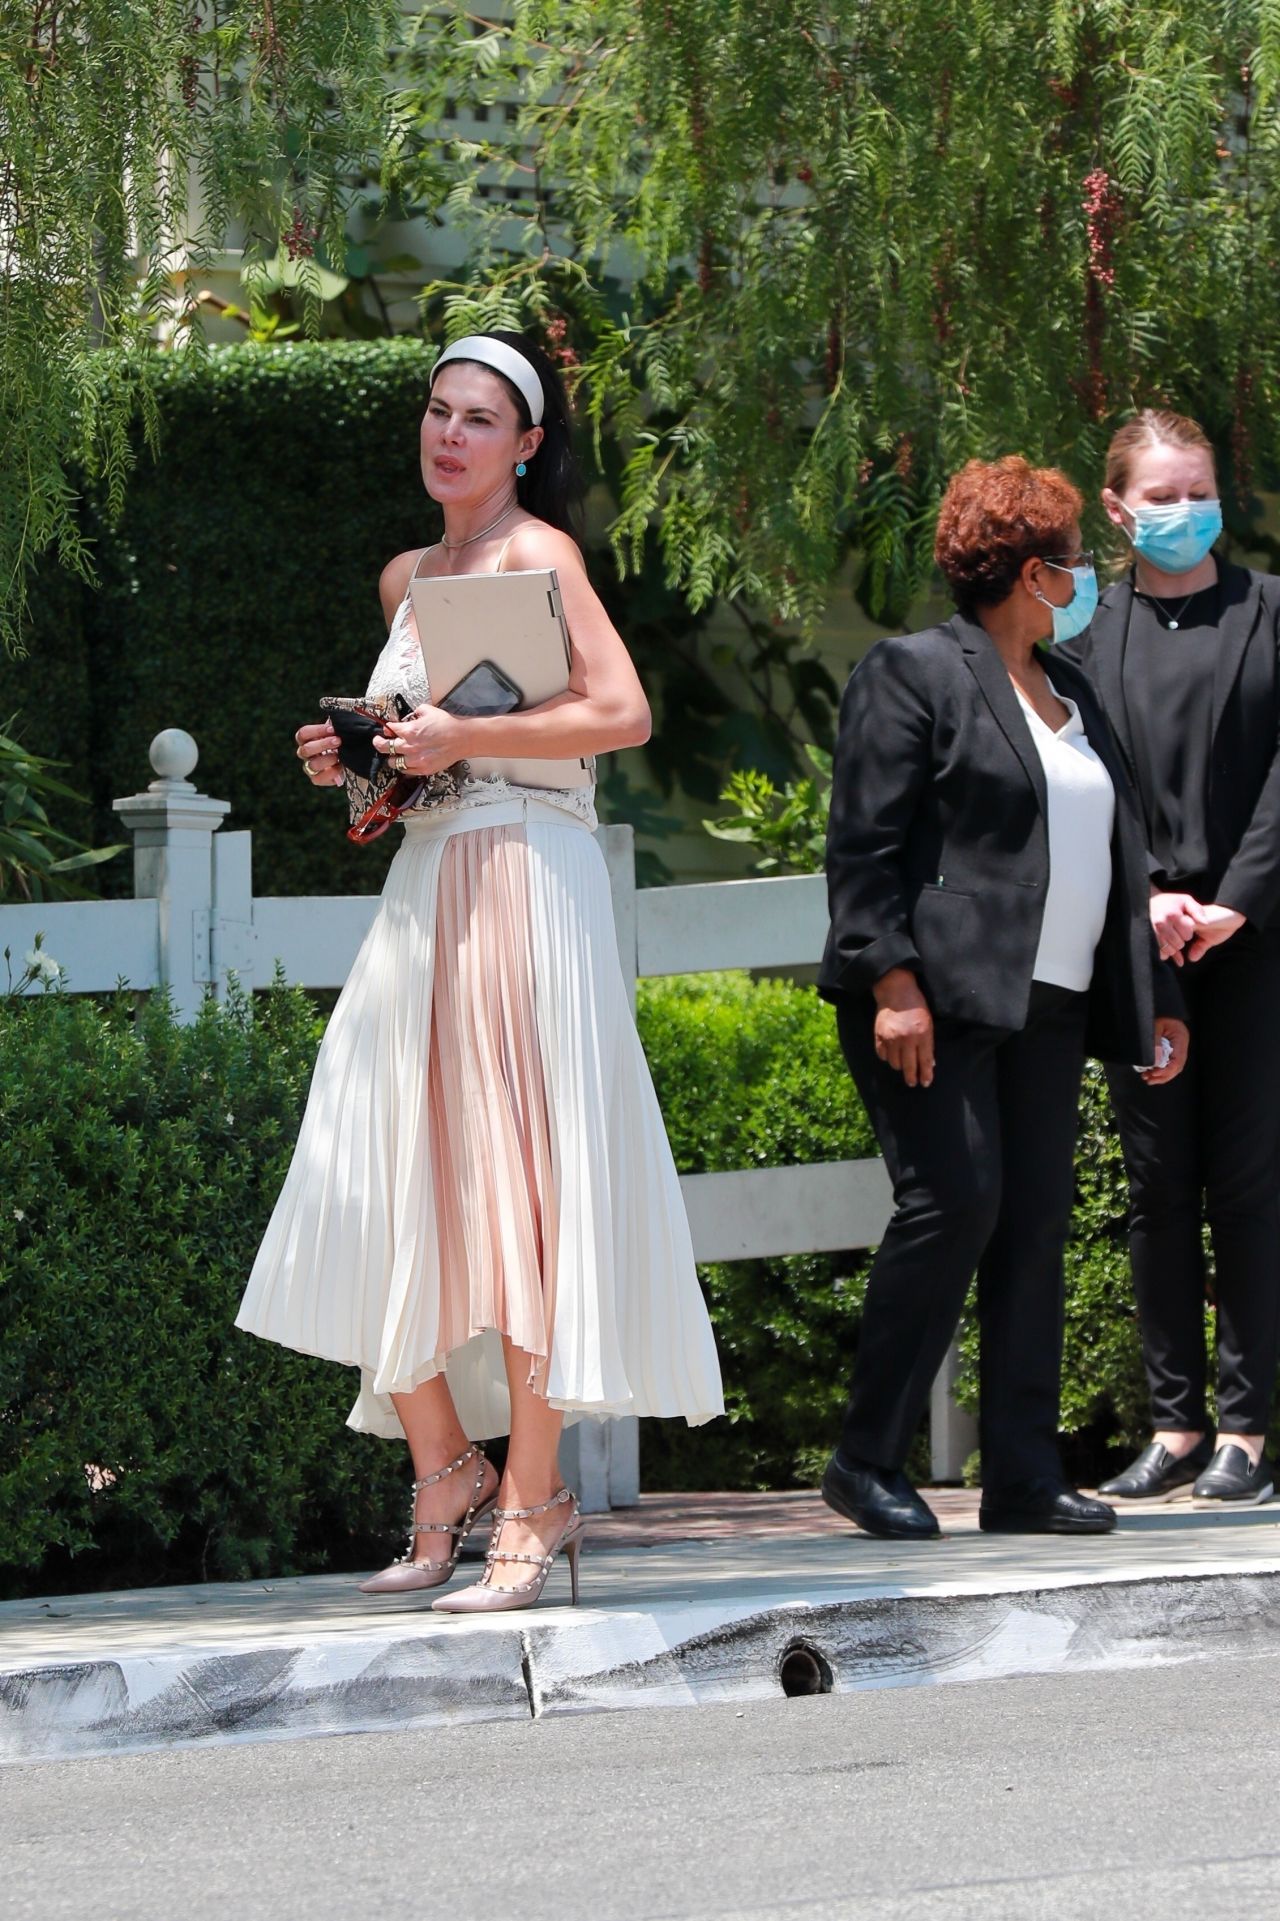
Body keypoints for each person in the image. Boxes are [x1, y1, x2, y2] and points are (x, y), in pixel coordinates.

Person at [236, 329, 723, 1611]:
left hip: (527, 878)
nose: (448, 433)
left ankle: (535, 1503)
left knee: (524, 1190)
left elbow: (620, 715)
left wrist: (470, 732)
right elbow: (424, 765)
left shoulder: (541, 553)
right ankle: (445, 1463)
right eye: (437, 411)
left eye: (478, 418)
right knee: (365, 1171)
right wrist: (364, 763)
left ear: (526, 445)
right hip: (428, 881)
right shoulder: (408, 575)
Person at [817, 455, 1186, 1540]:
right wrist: (890, 980)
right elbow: (862, 844)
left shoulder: (1070, 692)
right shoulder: (913, 672)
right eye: (1073, 564)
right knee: (955, 1200)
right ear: (1032, 572)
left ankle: (1021, 1477)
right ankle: (862, 1455)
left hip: (1054, 1003)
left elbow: (1121, 851)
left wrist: (1151, 988)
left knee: (1031, 1225)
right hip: (935, 996)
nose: (1084, 581)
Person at [1064, 410, 1280, 1508]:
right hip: (1142, 943)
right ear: (1116, 509)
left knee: (1246, 1186)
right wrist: (1147, 893)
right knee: (1155, 1191)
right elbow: (1083, 787)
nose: (1180, 511)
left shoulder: (1269, 611)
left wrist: (1233, 901)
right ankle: (1174, 1424)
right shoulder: (1085, 640)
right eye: (1156, 495)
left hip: (1255, 942)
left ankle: (1244, 1429)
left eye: (1194, 488)